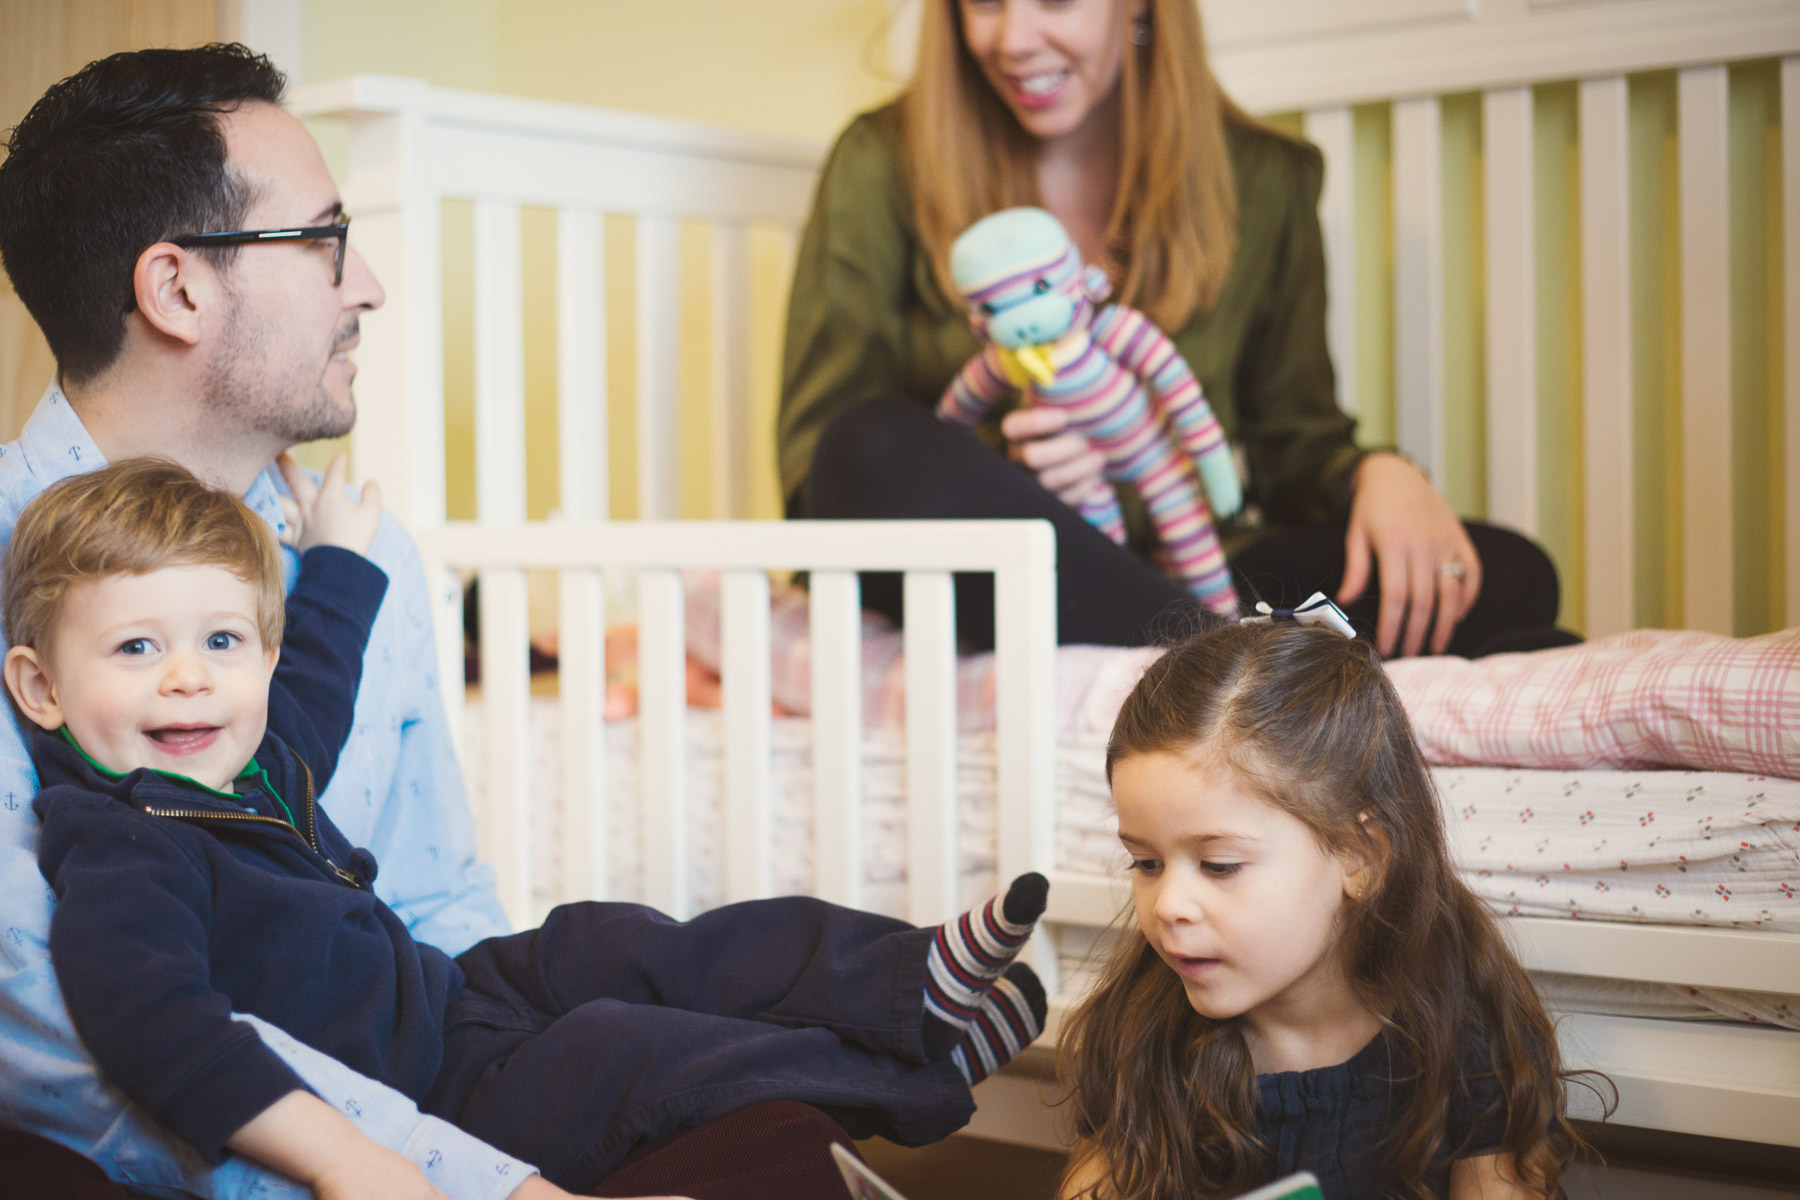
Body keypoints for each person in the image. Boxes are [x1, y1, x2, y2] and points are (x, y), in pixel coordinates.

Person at [0, 43, 867, 1200]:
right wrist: (459, 1177)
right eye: (323, 239)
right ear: (177, 289)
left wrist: (530, 1098)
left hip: (416, 1098)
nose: (367, 285)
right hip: (213, 1147)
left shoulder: (369, 560)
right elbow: (59, 1030)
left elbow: (436, 904)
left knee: (766, 1127)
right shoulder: (18, 563)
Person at [4, 458, 1051, 1195]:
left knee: (623, 937)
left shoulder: (252, 751)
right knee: (636, 1051)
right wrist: (341, 1158)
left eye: (221, 640)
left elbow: (318, 671)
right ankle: (911, 1074)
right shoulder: (122, 843)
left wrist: (340, 561)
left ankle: (909, 979)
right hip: (442, 1084)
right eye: (137, 649)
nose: (188, 676)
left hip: (457, 987)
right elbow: (156, 1028)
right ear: (40, 688)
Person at [778, 0, 1564, 658]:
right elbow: (818, 475)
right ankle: (1229, 659)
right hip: (1001, 579)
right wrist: (1007, 472)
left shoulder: (1265, 180)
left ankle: (1197, 649)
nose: (1012, 39)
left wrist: (1378, 475)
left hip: (1196, 568)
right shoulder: (880, 161)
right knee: (865, 442)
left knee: (1508, 573)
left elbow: (1297, 444)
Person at [1057, 619, 1604, 1200]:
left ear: (1359, 857)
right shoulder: (1138, 1033)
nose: (1168, 906)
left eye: (1219, 866)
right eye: (1146, 864)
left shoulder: (1465, 1027)